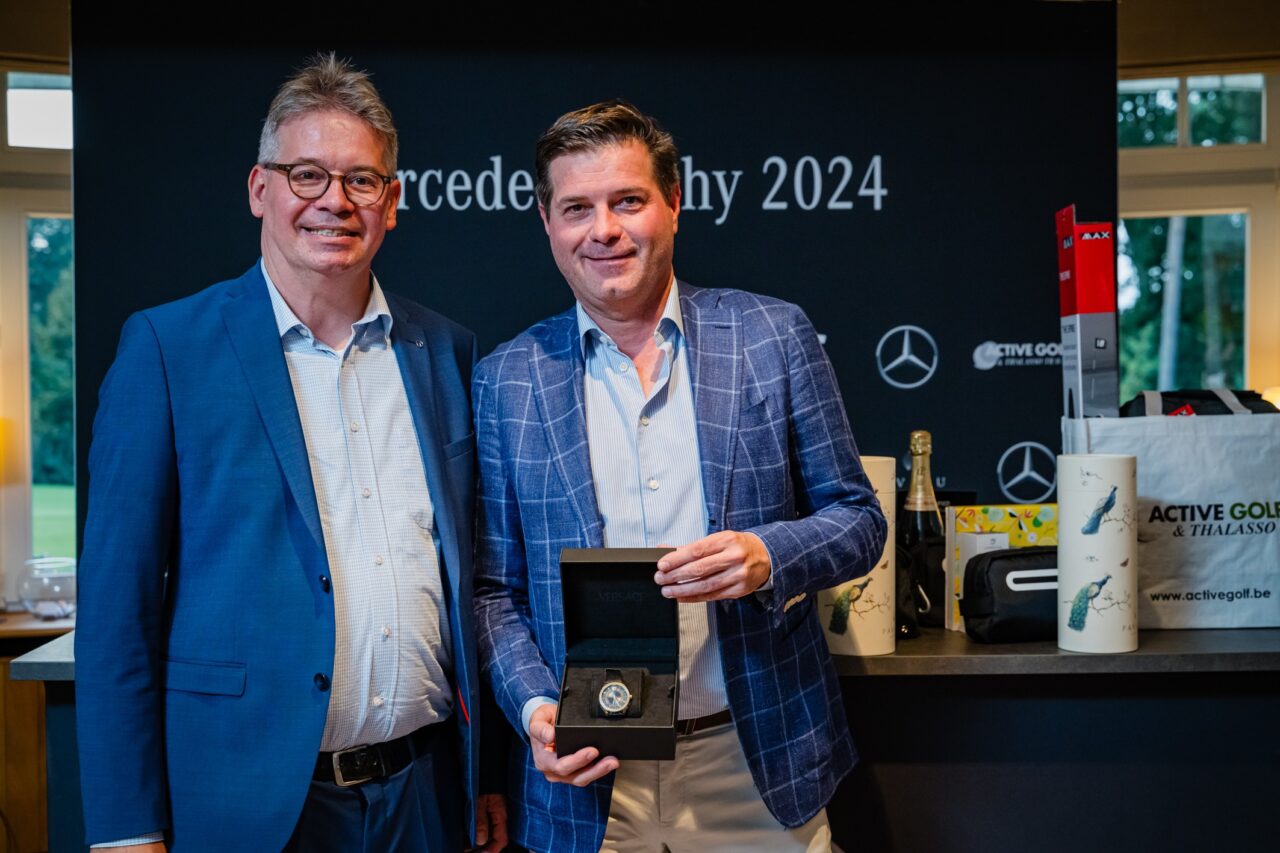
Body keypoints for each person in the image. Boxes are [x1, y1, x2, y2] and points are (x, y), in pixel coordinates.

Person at [74, 54, 506, 852]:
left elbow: (472, 580)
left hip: (426, 799)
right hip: (252, 805)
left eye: (361, 180)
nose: (334, 201)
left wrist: (488, 775)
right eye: (306, 174)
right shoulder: (168, 350)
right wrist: (125, 829)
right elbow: (115, 616)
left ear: (392, 203)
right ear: (259, 189)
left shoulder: (446, 351)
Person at [472, 99, 887, 853]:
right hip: (588, 780)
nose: (603, 229)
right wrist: (535, 708)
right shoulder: (507, 379)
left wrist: (769, 556)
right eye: (577, 208)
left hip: (756, 764)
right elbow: (493, 591)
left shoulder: (771, 335)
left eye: (627, 201)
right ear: (547, 223)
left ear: (673, 203)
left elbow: (859, 519)